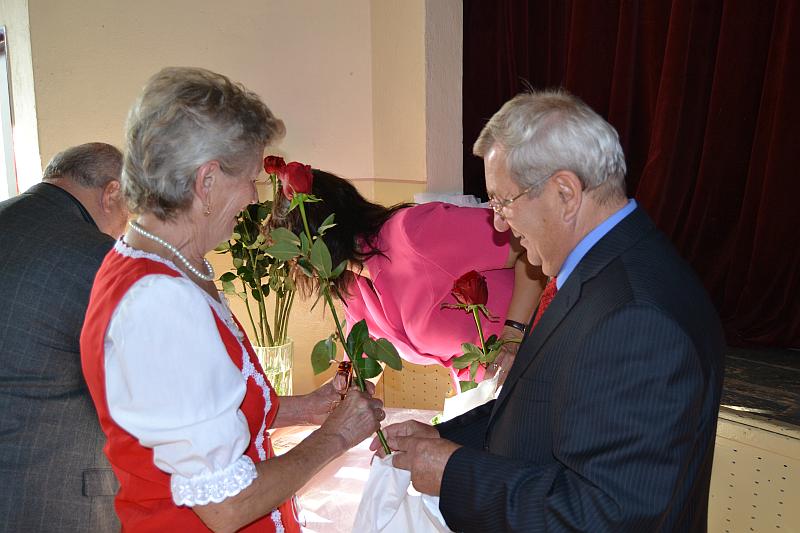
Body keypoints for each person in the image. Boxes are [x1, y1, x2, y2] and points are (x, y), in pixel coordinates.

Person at [372, 89, 725, 532]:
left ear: (565, 193)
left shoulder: (636, 317)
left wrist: (454, 473)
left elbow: (606, 515)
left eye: (503, 201)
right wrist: (443, 439)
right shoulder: (603, 271)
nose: (498, 222)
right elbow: (541, 407)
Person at [80, 67, 384, 532]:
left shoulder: (173, 266)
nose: (252, 198)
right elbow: (226, 505)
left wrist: (306, 407)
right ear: (207, 181)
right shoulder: (158, 303)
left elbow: (196, 416)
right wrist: (336, 436)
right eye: (249, 179)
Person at [276, 169, 544, 385]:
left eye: (294, 252)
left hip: (542, 349)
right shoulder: (356, 289)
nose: (296, 266)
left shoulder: (413, 232)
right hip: (496, 389)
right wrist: (322, 403)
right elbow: (359, 368)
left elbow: (532, 241)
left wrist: (513, 334)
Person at [0, 142, 128, 531]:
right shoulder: (98, 257)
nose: (125, 226)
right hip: (55, 494)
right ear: (111, 193)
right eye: (129, 211)